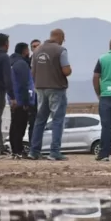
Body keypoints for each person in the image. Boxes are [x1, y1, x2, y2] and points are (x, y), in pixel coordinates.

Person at [30, 29, 72, 161]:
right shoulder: (60, 50)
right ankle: (55, 151)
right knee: (57, 120)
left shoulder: (37, 51)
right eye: (63, 38)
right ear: (60, 37)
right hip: (56, 88)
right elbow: (66, 70)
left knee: (40, 120)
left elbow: (32, 72)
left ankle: (34, 151)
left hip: (40, 88)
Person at [7, 42, 35, 159]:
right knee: (20, 126)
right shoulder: (22, 64)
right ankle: (18, 150)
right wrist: (26, 102)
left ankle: (15, 150)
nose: (29, 52)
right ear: (24, 51)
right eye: (28, 50)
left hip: (12, 98)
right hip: (21, 100)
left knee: (14, 125)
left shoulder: (10, 62)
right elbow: (24, 83)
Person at [26, 39, 41, 143]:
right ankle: (33, 147)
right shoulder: (26, 62)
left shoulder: (45, 61)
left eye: (38, 46)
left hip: (44, 92)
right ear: (31, 49)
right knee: (33, 122)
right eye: (34, 46)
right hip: (32, 95)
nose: (36, 48)